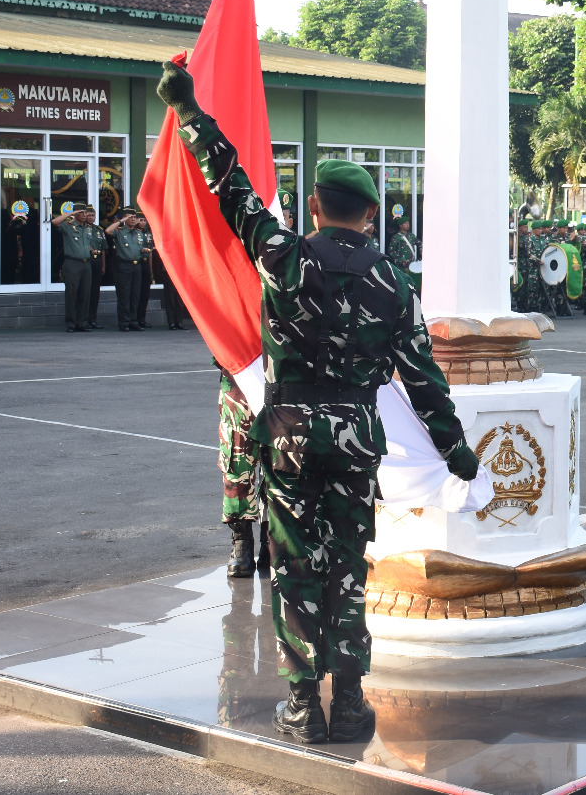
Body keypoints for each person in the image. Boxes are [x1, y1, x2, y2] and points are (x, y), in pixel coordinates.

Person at [158, 58, 476, 745]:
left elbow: (231, 189)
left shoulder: (285, 254)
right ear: (370, 213)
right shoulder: (394, 283)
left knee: (297, 566)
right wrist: (456, 451)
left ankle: (303, 705)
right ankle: (354, 701)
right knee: (351, 563)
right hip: (358, 437)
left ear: (314, 207)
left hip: (292, 435)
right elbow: (423, 378)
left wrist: (188, 111)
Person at [219, 364, 269, 577]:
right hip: (239, 372)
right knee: (237, 459)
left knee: (281, 457)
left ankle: (273, 539)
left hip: (284, 369)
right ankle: (242, 541)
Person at [50, 205, 96, 333]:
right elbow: (54, 222)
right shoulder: (68, 226)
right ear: (75, 214)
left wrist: (91, 249)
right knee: (72, 294)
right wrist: (71, 213)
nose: (84, 215)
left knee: (85, 293)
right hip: (72, 263)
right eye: (81, 213)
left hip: (86, 264)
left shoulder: (88, 228)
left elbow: (87, 243)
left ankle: (82, 322)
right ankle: (71, 323)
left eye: (85, 213)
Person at [105, 209, 151, 332]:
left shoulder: (139, 234)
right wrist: (121, 221)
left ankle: (133, 321)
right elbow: (108, 231)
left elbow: (142, 248)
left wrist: (144, 251)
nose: (133, 219)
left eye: (134, 217)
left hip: (137, 266)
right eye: (129, 217)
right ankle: (124, 322)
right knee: (124, 295)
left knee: (135, 294)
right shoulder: (120, 232)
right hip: (124, 266)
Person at [80, 205, 107, 330]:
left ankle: (93, 319)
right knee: (85, 291)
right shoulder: (81, 229)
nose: (91, 218)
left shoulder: (99, 230)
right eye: (89, 215)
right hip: (86, 261)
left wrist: (103, 266)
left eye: (93, 216)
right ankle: (83, 319)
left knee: (95, 292)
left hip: (97, 262)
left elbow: (103, 250)